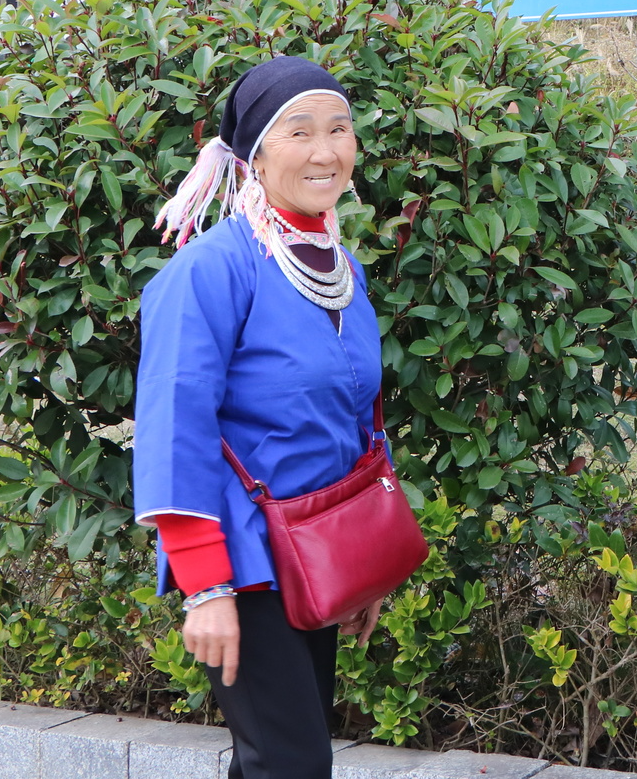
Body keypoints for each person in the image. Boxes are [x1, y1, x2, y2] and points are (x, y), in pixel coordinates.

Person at [133, 55, 387, 779]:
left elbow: (355, 414)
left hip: (318, 553)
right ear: (253, 154)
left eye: (340, 129)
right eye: (299, 131)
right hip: (243, 562)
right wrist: (204, 586)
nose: (325, 151)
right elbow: (173, 430)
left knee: (276, 764)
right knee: (291, 763)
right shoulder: (212, 270)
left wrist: (362, 566)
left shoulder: (340, 265)